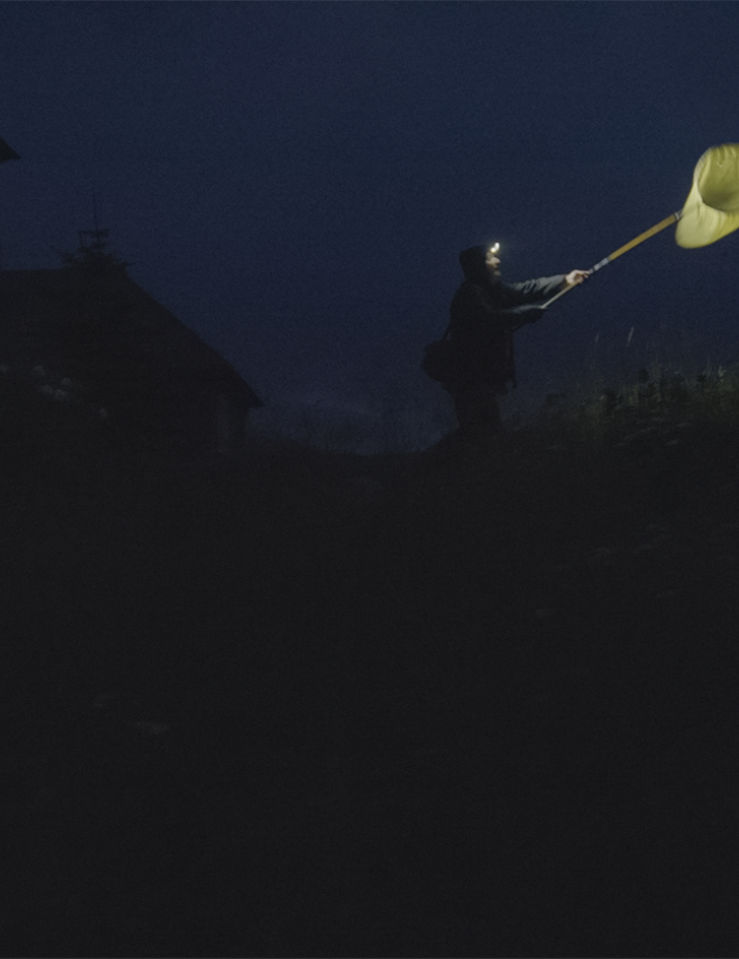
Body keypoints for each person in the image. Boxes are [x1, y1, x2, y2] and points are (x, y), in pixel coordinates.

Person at [440, 243, 589, 446]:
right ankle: (433, 467)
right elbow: (490, 319)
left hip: (480, 378)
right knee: (483, 437)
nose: (497, 261)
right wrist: (525, 313)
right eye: (489, 258)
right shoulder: (470, 295)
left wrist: (565, 280)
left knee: (480, 435)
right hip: (471, 379)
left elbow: (526, 289)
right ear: (477, 266)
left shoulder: (490, 290)